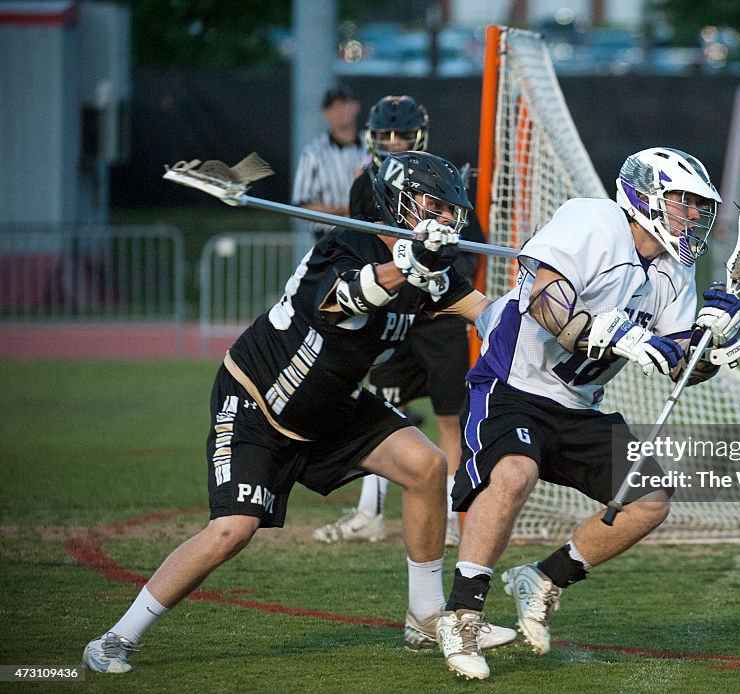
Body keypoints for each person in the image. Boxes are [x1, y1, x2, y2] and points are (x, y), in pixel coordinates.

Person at [81, 151, 516, 674]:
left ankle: (425, 617)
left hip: (331, 405)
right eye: (435, 206)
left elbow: (490, 314)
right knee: (233, 530)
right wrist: (407, 265)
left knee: (426, 467)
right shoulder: (341, 250)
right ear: (398, 204)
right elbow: (348, 298)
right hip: (260, 402)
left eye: (452, 210)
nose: (447, 219)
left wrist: (562, 311)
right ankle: (115, 638)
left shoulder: (429, 271)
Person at [434, 147, 740, 680]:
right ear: (645, 195)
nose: (693, 216)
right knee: (514, 472)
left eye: (700, 207)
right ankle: (462, 614)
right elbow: (543, 300)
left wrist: (714, 344)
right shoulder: (595, 219)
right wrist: (618, 335)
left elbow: (679, 367)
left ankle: (544, 578)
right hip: (515, 384)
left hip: (578, 407)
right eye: (684, 203)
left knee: (648, 503)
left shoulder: (675, 272)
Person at [313, 95, 483, 547]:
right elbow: (360, 247)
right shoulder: (365, 186)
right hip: (390, 312)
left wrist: (440, 273)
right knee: (381, 410)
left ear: (420, 136)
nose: (393, 142)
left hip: (439, 315)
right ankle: (370, 512)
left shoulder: (446, 181)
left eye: (403, 136)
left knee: (451, 417)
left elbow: (471, 248)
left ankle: (447, 515)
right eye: (385, 135)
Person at [292, 81, 366, 240]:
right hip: (328, 238)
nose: (339, 111)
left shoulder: (372, 147)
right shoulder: (312, 153)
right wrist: (345, 210)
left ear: (355, 106)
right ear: (325, 113)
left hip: (369, 236)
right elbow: (302, 206)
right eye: (333, 107)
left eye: (344, 104)